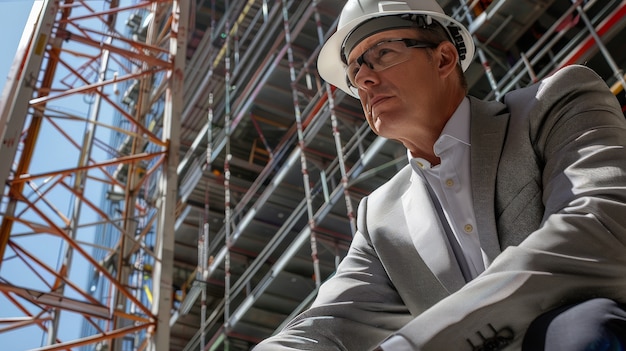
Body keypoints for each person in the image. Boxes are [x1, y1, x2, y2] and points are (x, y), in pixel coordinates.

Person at [253, 0, 626, 350]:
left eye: (381, 53)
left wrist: (414, 343)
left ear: (444, 58)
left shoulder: (553, 105)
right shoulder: (380, 218)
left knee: (581, 328)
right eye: (353, 70)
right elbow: (327, 326)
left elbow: (599, 228)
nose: (363, 77)